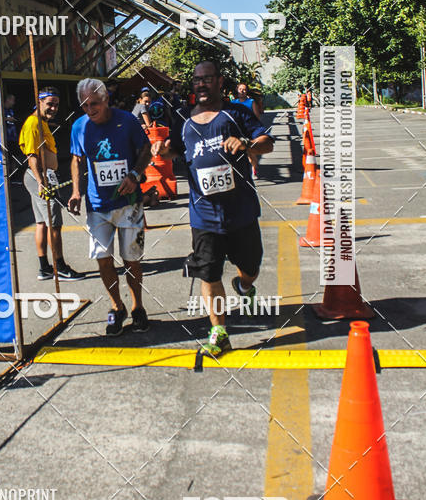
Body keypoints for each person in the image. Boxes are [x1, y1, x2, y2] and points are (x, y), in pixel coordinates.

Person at [153, 61, 273, 355]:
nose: (201, 84)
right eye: (197, 80)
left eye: (207, 79)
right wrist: (163, 151)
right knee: (208, 273)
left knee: (251, 267)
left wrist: (246, 143)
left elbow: (267, 142)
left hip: (241, 210)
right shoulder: (183, 118)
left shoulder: (237, 113)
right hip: (203, 214)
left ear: (220, 82)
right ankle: (219, 330)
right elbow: (176, 149)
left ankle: (244, 286)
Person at [68, 78, 152, 336]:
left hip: (130, 204)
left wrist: (135, 175)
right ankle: (117, 307)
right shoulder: (79, 127)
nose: (89, 109)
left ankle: (138, 307)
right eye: (84, 105)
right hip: (97, 205)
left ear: (106, 100)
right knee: (103, 260)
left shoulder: (126, 120)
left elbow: (146, 150)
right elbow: (76, 159)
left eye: (94, 103)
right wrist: (75, 191)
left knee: (132, 260)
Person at [19, 87, 83, 281]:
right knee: (54, 223)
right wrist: (41, 182)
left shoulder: (42, 123)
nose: (53, 108)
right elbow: (32, 156)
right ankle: (60, 266)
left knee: (42, 223)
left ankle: (45, 267)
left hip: (44, 176)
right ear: (39, 102)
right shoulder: (32, 123)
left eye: (56, 104)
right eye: (49, 104)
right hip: (40, 177)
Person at [234, 82, 263, 178]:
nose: (242, 91)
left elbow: (257, 116)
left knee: (250, 151)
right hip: (237, 130)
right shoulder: (233, 103)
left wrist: (257, 129)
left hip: (249, 130)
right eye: (240, 89)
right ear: (237, 90)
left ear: (247, 91)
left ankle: (254, 169)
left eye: (244, 89)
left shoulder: (251, 102)